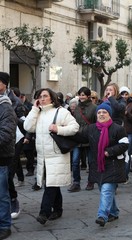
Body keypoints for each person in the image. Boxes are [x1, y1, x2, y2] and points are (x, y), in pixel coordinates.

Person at [24, 88, 79, 225]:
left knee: (50, 184)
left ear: (52, 98)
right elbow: (28, 126)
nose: (42, 99)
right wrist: (34, 110)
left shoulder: (61, 112)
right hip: (43, 156)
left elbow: (75, 127)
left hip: (57, 155)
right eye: (39, 96)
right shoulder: (38, 113)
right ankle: (58, 209)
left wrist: (58, 129)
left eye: (45, 96)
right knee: (52, 183)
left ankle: (44, 212)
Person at [75, 101, 129, 227]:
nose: (101, 114)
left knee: (106, 189)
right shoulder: (91, 128)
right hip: (98, 165)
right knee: (104, 189)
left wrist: (109, 152)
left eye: (104, 112)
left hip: (114, 164)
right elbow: (79, 137)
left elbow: (125, 144)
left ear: (109, 114)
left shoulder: (118, 129)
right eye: (99, 112)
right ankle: (114, 212)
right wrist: (60, 131)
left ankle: (102, 215)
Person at [0, 72, 25, 220]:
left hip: (13, 140)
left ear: (4, 83)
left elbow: (22, 121)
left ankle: (13, 200)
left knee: (8, 174)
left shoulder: (13, 101)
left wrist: (27, 137)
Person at [68, 87, 96, 192]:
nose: (81, 97)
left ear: (88, 96)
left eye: (83, 95)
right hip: (78, 138)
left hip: (89, 137)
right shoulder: (77, 108)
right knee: (75, 162)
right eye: (80, 94)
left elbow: (96, 124)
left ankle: (91, 181)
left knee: (91, 162)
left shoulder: (94, 108)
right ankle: (76, 182)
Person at [0, 94, 17, 240]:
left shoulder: (6, 108)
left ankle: (5, 226)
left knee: (1, 195)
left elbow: (6, 134)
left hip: (1, 159)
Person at [120, 86, 132, 182]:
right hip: (119, 132)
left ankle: (125, 176)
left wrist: (127, 114)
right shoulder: (117, 103)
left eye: (126, 94)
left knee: (127, 154)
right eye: (122, 94)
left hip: (130, 132)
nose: (124, 96)